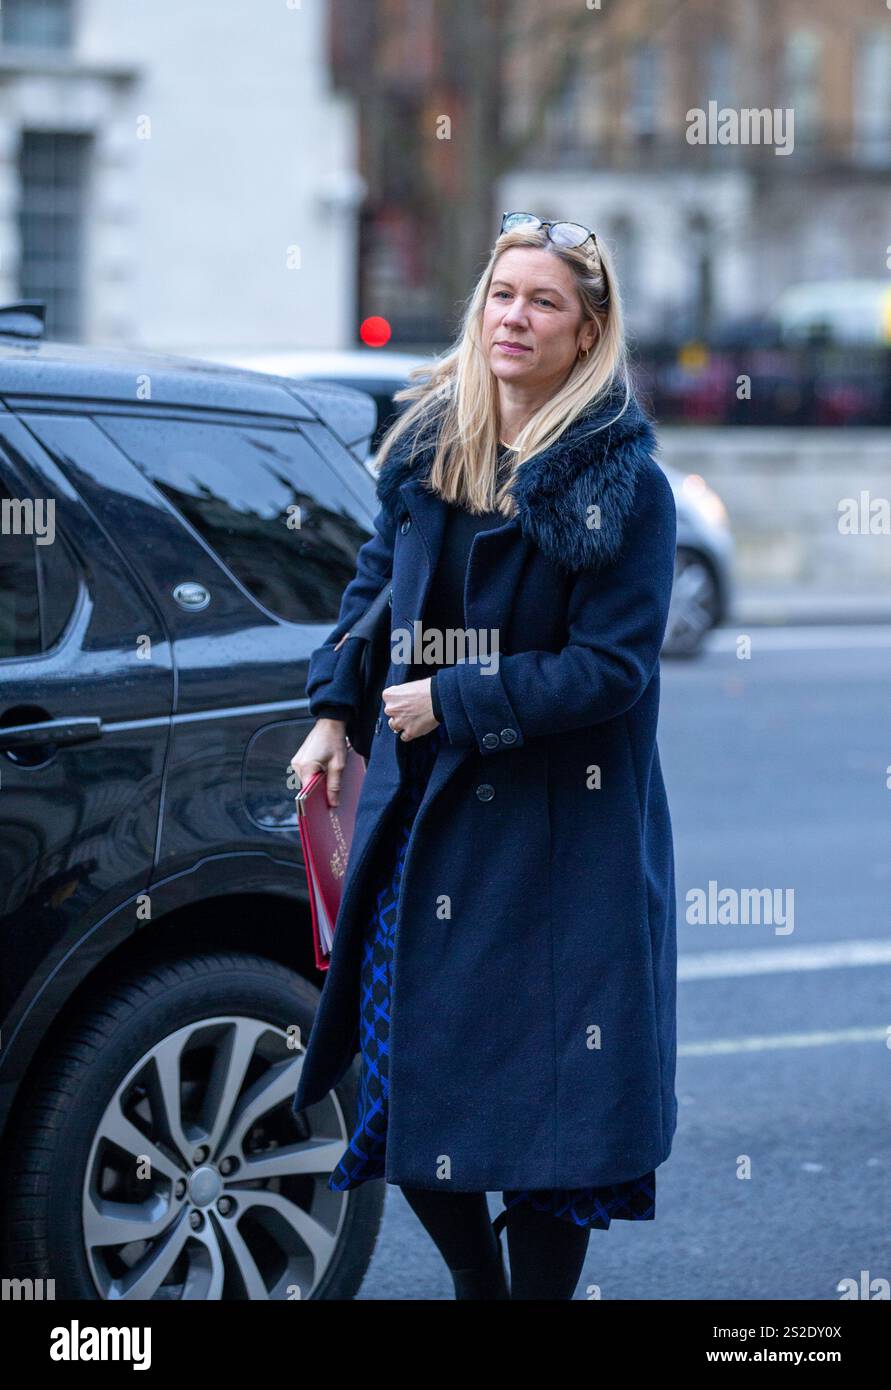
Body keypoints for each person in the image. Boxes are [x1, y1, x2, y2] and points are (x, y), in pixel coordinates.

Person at [290, 211, 678, 1300]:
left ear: (587, 328)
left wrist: (454, 700)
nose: (516, 317)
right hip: (428, 821)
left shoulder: (622, 485)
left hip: (564, 839)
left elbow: (612, 670)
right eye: (503, 295)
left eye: (544, 300)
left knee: (557, 1107)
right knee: (407, 1073)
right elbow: (372, 596)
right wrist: (332, 710)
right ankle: (479, 1286)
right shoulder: (429, 449)